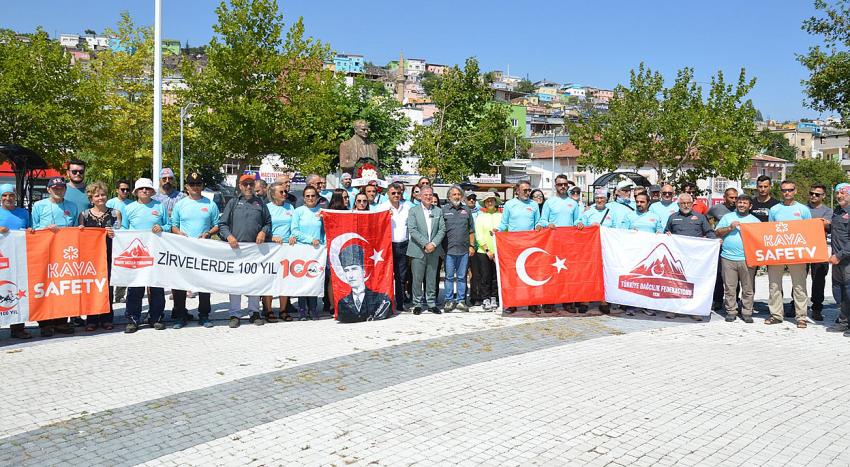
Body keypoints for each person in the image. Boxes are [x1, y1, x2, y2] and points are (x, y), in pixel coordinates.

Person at [220, 173, 271, 328]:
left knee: (254, 281)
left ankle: (254, 312)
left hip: (255, 251)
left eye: (251, 184)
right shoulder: (233, 203)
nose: (248, 187)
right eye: (245, 184)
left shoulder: (261, 203)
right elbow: (222, 224)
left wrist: (263, 231)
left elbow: (268, 223)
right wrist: (229, 236)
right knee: (235, 282)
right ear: (240, 186)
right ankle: (235, 314)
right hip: (236, 250)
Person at [170, 173, 220, 329]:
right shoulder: (180, 205)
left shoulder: (210, 204)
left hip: (203, 249)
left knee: (204, 283)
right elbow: (173, 225)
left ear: (202, 186)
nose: (196, 187)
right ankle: (180, 314)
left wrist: (209, 233)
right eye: (192, 184)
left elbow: (217, 225)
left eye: (198, 184)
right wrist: (179, 234)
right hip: (184, 250)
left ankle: (204, 314)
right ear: (187, 187)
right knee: (180, 283)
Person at [31, 177, 79, 337]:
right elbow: (33, 228)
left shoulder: (72, 206)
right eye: (55, 188)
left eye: (61, 188)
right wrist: (45, 228)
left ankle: (61, 321)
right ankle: (45, 323)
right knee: (45, 285)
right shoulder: (38, 206)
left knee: (63, 285)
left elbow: (74, 228)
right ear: (48, 189)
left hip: (66, 253)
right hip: (45, 251)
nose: (59, 190)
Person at [122, 178, 171, 333]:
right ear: (136, 191)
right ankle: (132, 319)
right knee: (135, 287)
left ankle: (156, 317)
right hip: (136, 255)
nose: (145, 191)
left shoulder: (159, 206)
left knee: (156, 286)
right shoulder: (129, 208)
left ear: (152, 191)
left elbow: (168, 225)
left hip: (156, 252)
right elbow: (123, 228)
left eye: (147, 189)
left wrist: (161, 227)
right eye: (141, 188)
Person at [765, 180, 812, 328]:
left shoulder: (803, 210)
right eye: (784, 190)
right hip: (777, 252)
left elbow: (808, 230)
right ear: (781, 191)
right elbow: (770, 232)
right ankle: (776, 315)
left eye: (790, 190)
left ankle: (801, 317)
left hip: (796, 253)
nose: (787, 193)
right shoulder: (774, 210)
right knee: (774, 285)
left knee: (799, 286)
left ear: (795, 191)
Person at [663, 192, 716, 321]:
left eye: (688, 203)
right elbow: (666, 232)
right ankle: (673, 310)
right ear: (678, 204)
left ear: (692, 204)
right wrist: (667, 234)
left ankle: (694, 310)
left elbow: (709, 232)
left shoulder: (700, 217)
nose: (686, 205)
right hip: (677, 258)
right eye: (683, 203)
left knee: (694, 283)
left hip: (695, 258)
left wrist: (715, 241)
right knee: (676, 283)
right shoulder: (672, 217)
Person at [78, 182, 120, 332]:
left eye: (103, 194)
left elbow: (121, 235)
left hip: (110, 254)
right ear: (91, 198)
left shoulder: (115, 213)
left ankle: (107, 318)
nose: (100, 197)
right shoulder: (84, 215)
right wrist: (80, 231)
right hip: (91, 257)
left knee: (108, 286)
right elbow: (79, 237)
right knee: (92, 287)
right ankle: (92, 319)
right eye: (97, 195)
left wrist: (114, 234)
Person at [538, 174, 582, 312]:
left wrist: (579, 223)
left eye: (565, 184)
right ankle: (549, 301)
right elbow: (542, 220)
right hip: (552, 243)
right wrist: (548, 224)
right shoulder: (549, 202)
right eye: (559, 184)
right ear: (555, 186)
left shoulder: (573, 203)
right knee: (551, 271)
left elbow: (576, 220)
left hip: (569, 244)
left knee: (567, 273)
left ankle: (567, 301)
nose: (562, 186)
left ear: (568, 185)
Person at [576, 188, 623, 314]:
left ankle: (603, 300)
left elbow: (615, 229)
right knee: (588, 273)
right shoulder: (588, 212)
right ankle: (585, 300)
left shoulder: (611, 213)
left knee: (604, 274)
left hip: (605, 248)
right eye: (597, 198)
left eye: (602, 198)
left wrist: (601, 228)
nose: (599, 200)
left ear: (606, 199)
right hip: (590, 248)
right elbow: (579, 223)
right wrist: (581, 224)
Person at [496, 180, 540, 313]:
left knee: (531, 274)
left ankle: (532, 302)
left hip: (530, 244)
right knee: (513, 275)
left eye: (529, 190)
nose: (527, 192)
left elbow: (538, 222)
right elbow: (504, 224)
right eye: (524, 190)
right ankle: (512, 303)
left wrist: (539, 226)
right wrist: (497, 230)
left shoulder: (534, 205)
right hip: (513, 245)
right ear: (517, 191)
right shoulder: (509, 205)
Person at [715, 194, 760, 323]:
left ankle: (747, 311)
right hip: (728, 258)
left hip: (748, 259)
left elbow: (760, 240)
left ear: (750, 206)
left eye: (745, 203)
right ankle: (731, 311)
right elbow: (717, 232)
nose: (741, 205)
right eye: (739, 202)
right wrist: (729, 228)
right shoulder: (727, 217)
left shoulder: (755, 221)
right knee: (730, 287)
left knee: (748, 287)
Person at [406, 185, 445, 315]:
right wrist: (425, 244)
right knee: (417, 278)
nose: (428, 197)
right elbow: (412, 229)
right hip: (418, 249)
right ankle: (417, 303)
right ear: (420, 196)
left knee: (432, 277)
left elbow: (442, 230)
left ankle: (431, 303)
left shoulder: (438, 211)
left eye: (430, 195)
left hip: (434, 249)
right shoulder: (413, 211)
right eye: (425, 195)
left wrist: (433, 243)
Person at [0, 184, 32, 339]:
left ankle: (18, 328)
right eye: (4, 195)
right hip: (2, 260)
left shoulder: (23, 213)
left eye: (11, 195)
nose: (8, 198)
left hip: (19, 260)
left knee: (18, 291)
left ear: (15, 196)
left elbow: (31, 230)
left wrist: (30, 231)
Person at [290, 185, 325, 320]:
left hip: (317, 251)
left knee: (314, 279)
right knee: (302, 279)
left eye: (313, 196)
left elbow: (324, 231)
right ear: (304, 198)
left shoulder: (321, 212)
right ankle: (303, 309)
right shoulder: (298, 211)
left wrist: (323, 243)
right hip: (302, 249)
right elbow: (294, 230)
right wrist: (311, 240)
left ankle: (313, 309)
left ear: (317, 198)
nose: (310, 198)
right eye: (307, 196)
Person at [336, 244, 393, 322]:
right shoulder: (342, 303)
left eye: (354, 269)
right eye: (346, 270)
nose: (351, 276)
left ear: (363, 272)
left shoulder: (380, 299)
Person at [264, 181, 296, 322]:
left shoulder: (290, 207)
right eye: (281, 192)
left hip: (287, 249)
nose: (285, 194)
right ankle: (268, 310)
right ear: (273, 194)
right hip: (271, 248)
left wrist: (293, 236)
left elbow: (295, 226)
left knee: (285, 279)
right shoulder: (267, 208)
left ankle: (283, 310)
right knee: (270, 279)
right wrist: (271, 237)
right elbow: (262, 227)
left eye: (285, 192)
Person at [441, 185, 475, 312]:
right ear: (449, 197)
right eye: (454, 194)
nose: (456, 196)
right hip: (448, 250)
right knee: (449, 276)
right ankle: (449, 300)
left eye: (458, 194)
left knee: (462, 277)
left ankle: (461, 300)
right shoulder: (443, 210)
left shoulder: (466, 210)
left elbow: (471, 230)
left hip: (464, 250)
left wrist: (472, 246)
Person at [707, 188, 740, 310]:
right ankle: (717, 300)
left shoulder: (740, 209)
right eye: (731, 197)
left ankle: (735, 300)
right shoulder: (716, 209)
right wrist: (711, 235)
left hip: (736, 249)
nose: (734, 200)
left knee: (736, 276)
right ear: (724, 198)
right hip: (720, 247)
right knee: (720, 274)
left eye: (736, 197)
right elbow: (707, 221)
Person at [380, 182, 410, 313]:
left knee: (401, 277)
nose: (396, 195)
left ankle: (400, 303)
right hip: (387, 246)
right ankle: (385, 303)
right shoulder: (381, 208)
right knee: (386, 276)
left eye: (398, 193)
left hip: (403, 244)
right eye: (393, 193)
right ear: (388, 194)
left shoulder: (407, 207)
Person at [806, 183, 833, 321]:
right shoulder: (802, 209)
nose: (813, 196)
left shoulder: (829, 211)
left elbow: (829, 226)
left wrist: (811, 222)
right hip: (802, 248)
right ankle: (797, 305)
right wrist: (819, 223)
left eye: (817, 194)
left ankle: (817, 308)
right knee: (798, 279)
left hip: (819, 249)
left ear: (824, 196)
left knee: (818, 280)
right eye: (811, 193)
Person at [472, 192, 502, 311]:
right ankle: (485, 298)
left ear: (495, 202)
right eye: (487, 201)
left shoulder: (501, 216)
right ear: (484, 203)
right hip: (483, 251)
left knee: (495, 276)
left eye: (492, 200)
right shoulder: (480, 217)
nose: (490, 202)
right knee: (485, 275)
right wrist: (488, 250)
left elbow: (505, 230)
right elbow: (478, 235)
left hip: (498, 251)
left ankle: (494, 296)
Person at [827, 183, 850, 337]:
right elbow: (835, 231)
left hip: (846, 259)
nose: (839, 196)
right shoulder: (837, 211)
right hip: (836, 259)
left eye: (843, 193)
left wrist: (840, 255)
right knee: (839, 290)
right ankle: (843, 320)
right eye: (837, 194)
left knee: (849, 291)